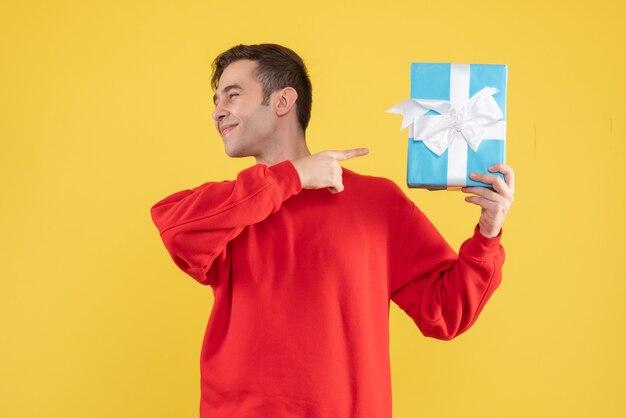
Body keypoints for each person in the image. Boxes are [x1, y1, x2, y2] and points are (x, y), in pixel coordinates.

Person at [150, 43, 514, 418]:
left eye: (233, 95)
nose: (217, 111)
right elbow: (177, 230)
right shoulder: (230, 206)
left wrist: (487, 234)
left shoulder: (377, 201)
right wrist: (292, 177)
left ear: (282, 101)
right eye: (216, 99)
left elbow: (446, 312)